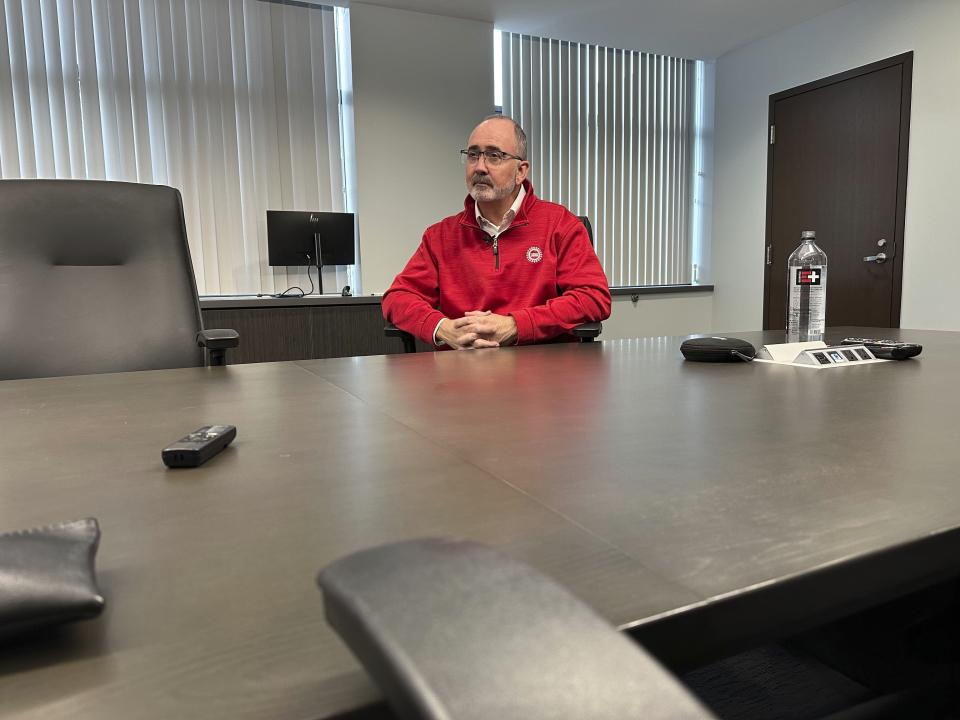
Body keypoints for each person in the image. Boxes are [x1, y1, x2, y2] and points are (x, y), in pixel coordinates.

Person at [381, 115, 611, 350]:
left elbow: (593, 298)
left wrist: (515, 325)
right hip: (462, 370)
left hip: (541, 368)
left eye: (494, 156)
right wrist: (441, 328)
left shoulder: (560, 225)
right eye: (473, 155)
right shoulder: (440, 236)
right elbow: (397, 298)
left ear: (521, 171)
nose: (480, 167)